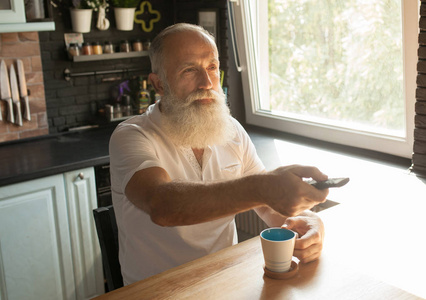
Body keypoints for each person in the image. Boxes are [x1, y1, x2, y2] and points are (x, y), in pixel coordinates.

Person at [109, 23, 329, 285]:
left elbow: (270, 206)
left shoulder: (231, 130)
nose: (207, 83)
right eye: (189, 70)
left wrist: (309, 222)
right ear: (159, 84)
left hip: (224, 282)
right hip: (156, 291)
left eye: (212, 67)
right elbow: (162, 206)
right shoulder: (132, 135)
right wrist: (262, 188)